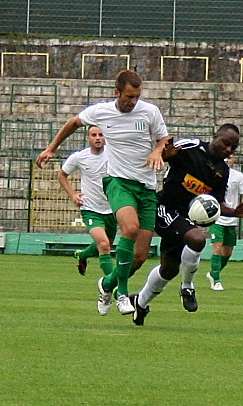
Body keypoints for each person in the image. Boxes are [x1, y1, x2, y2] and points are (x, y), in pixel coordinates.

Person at [36, 69, 171, 316]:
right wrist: (51, 148)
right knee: (129, 229)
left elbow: (164, 140)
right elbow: (74, 123)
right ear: (117, 93)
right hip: (119, 182)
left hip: (147, 188)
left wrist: (157, 151)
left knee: (139, 257)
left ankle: (107, 284)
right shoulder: (101, 111)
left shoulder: (150, 112)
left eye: (137, 96)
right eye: (129, 96)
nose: (133, 101)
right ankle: (122, 294)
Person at [129, 124, 243, 326]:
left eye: (233, 148)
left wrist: (234, 212)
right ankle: (187, 286)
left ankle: (140, 302)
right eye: (226, 143)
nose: (228, 150)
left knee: (169, 269)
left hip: (186, 220)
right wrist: (168, 154)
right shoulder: (192, 146)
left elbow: (216, 203)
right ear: (216, 136)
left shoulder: (222, 171)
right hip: (164, 208)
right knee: (197, 239)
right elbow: (164, 155)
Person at [58, 125, 116, 278]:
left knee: (106, 244)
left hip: (111, 208)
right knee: (104, 245)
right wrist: (73, 195)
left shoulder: (113, 154)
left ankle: (83, 255)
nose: (98, 138)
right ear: (88, 138)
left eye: (100, 135)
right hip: (90, 208)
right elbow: (62, 175)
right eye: (94, 135)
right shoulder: (79, 157)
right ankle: (114, 286)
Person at [206, 154, 243, 291]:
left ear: (233, 160)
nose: (227, 159)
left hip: (231, 218)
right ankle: (217, 281)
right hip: (217, 217)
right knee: (217, 247)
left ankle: (214, 273)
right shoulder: (213, 174)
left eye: (230, 157)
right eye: (225, 157)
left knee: (228, 252)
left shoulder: (237, 176)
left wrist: (241, 208)